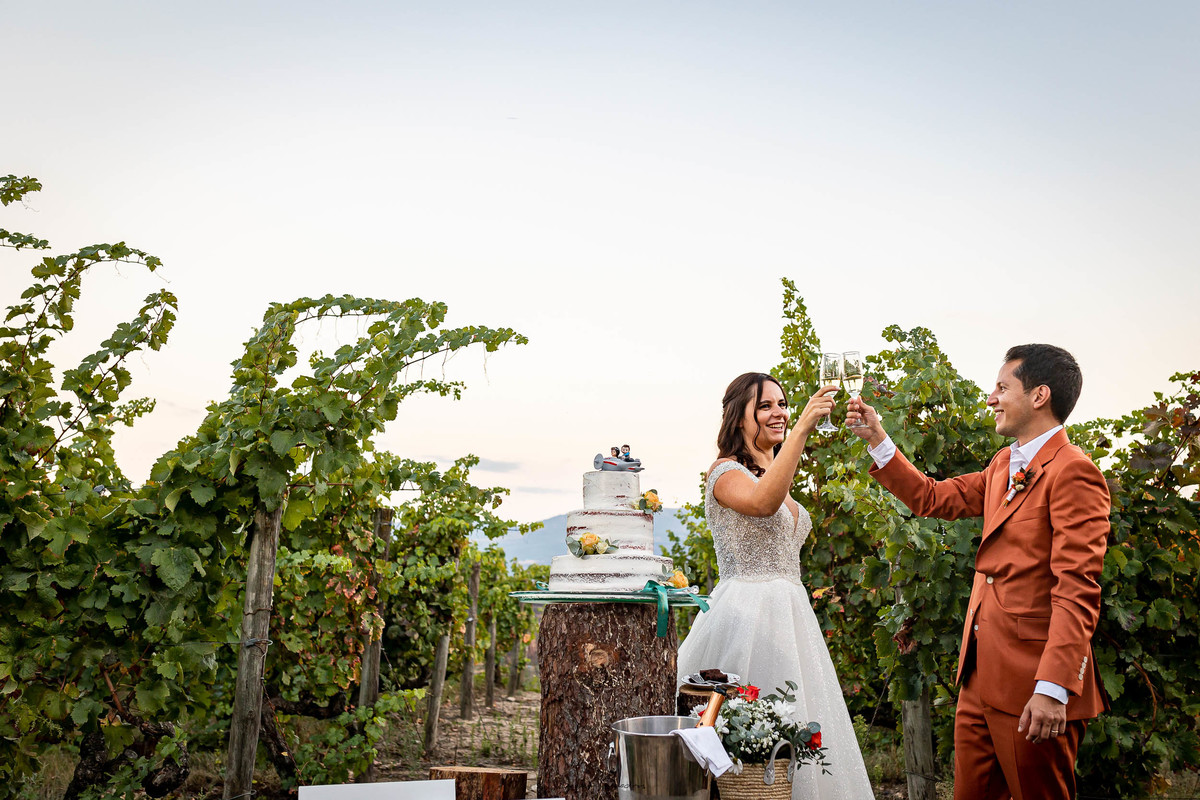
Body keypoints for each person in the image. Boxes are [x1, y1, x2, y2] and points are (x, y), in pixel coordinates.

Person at [847, 344, 1109, 800]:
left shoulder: (1074, 472)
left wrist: (1053, 688)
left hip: (1033, 687)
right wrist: (878, 439)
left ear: (1039, 395)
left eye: (1002, 387)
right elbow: (932, 497)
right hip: (978, 680)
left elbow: (1077, 589)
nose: (991, 398)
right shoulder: (1004, 463)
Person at [677, 372, 875, 799]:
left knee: (794, 727)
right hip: (745, 616)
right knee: (739, 738)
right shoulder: (725, 472)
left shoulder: (774, 471)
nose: (779, 413)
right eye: (765, 405)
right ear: (738, 416)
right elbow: (762, 503)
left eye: (783, 404)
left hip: (790, 618)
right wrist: (803, 427)